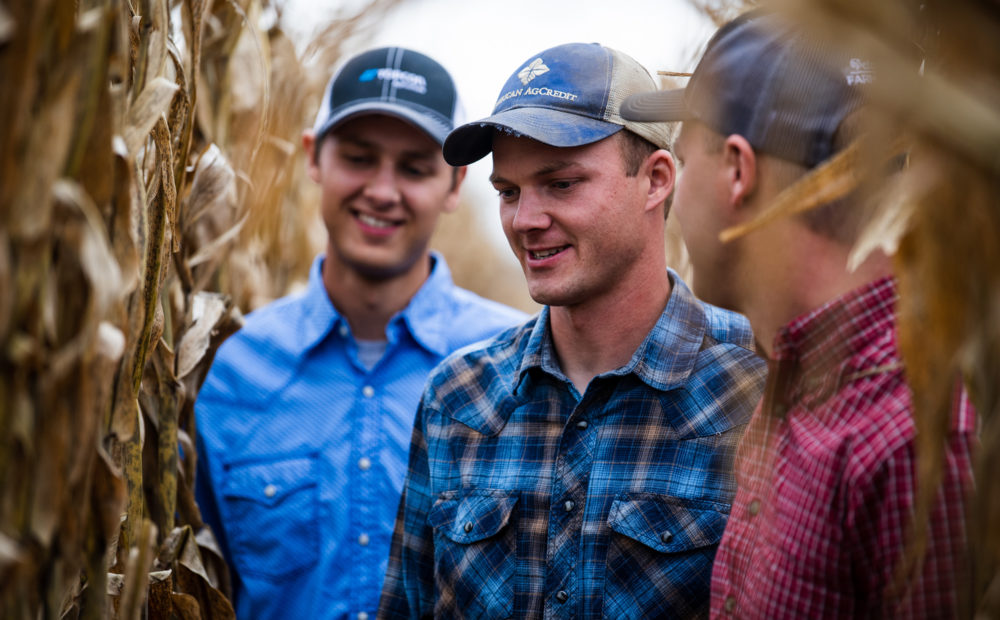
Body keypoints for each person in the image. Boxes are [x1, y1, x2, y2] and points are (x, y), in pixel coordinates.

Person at [378, 42, 767, 619]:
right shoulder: (457, 398)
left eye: (561, 184)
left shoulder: (754, 386)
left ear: (656, 180)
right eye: (508, 192)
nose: (526, 221)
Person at [621, 10, 975, 618]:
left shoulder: (916, 432)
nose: (676, 194)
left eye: (686, 158)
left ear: (738, 170)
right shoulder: (793, 381)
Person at [194, 46, 527, 620]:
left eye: (415, 168)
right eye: (358, 157)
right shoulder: (232, 371)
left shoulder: (518, 365)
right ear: (313, 158)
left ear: (454, 186)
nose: (381, 189)